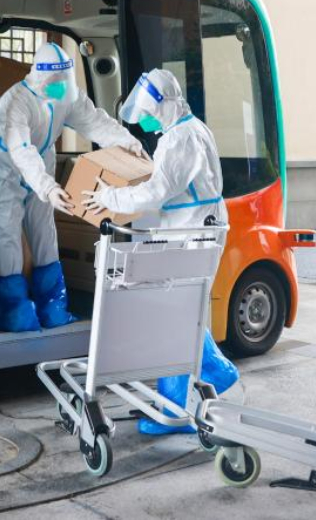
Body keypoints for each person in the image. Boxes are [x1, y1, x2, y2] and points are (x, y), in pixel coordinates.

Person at [81, 68, 239, 435]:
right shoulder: (188, 130)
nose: (147, 120)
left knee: (179, 317)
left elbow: (157, 192)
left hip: (195, 233)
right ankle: (178, 398)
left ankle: (180, 401)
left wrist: (109, 197)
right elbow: (169, 190)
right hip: (195, 230)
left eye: (149, 112)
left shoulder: (180, 139)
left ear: (164, 105)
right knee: (182, 314)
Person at [0, 42, 145, 332]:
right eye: (56, 84)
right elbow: (20, 149)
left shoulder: (66, 96)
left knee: (44, 228)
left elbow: (95, 122)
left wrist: (127, 141)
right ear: (42, 78)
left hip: (42, 156)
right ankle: (17, 311)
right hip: (3, 161)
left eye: (65, 83)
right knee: (7, 231)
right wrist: (46, 187)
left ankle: (53, 307)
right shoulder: (16, 101)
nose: (62, 90)